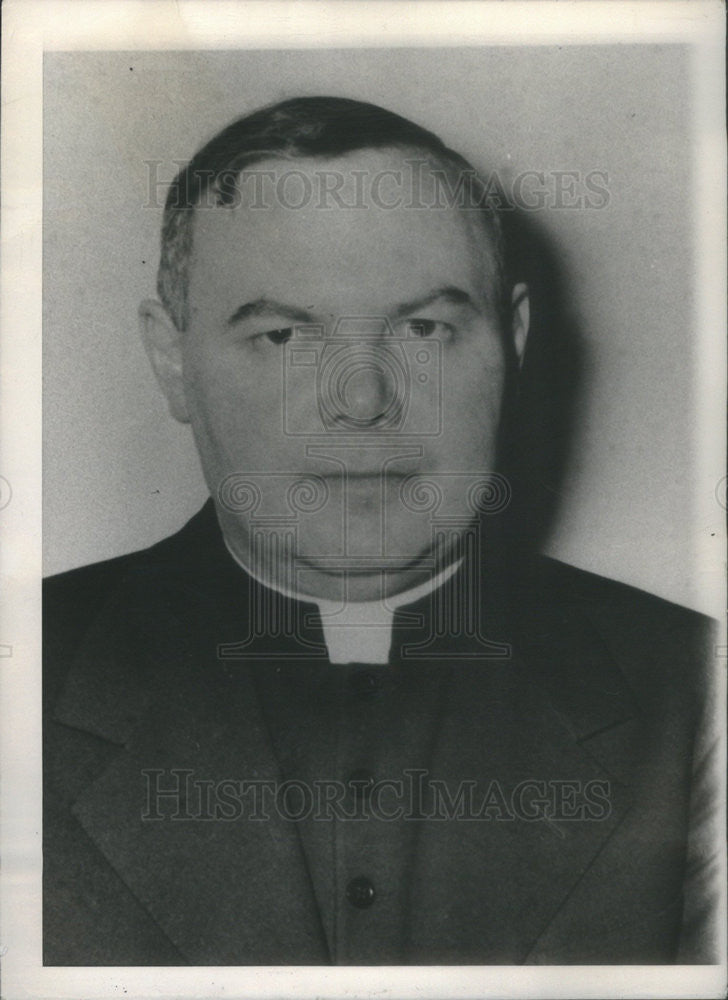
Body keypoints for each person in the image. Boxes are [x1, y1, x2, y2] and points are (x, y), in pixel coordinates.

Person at [43, 96, 718, 966]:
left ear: (510, 341)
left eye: (424, 330)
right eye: (285, 336)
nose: (361, 402)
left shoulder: (695, 699)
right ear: (173, 359)